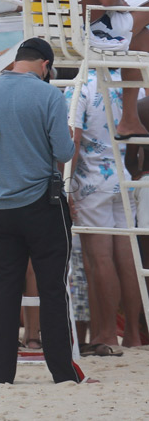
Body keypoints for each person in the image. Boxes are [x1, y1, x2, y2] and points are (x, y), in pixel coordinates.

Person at [0, 37, 89, 384]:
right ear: (45, 65)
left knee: (2, 294)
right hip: (42, 206)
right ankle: (62, 372)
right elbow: (62, 151)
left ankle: (0, 375)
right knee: (52, 290)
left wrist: (4, 146)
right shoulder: (49, 95)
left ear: (17, 61)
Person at [67, 69, 144, 352]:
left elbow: (72, 142)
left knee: (98, 260)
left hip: (91, 181)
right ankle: (133, 335)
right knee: (127, 259)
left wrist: (65, 186)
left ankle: (107, 334)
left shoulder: (80, 87)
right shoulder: (129, 82)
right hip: (121, 176)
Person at [38, 0, 149, 138]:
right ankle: (129, 118)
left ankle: (130, 120)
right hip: (89, 35)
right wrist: (119, 2)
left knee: (142, 37)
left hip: (51, 34)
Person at [125, 96, 149, 269]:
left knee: (147, 260)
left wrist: (137, 174)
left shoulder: (141, 107)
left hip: (147, 183)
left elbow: (130, 159)